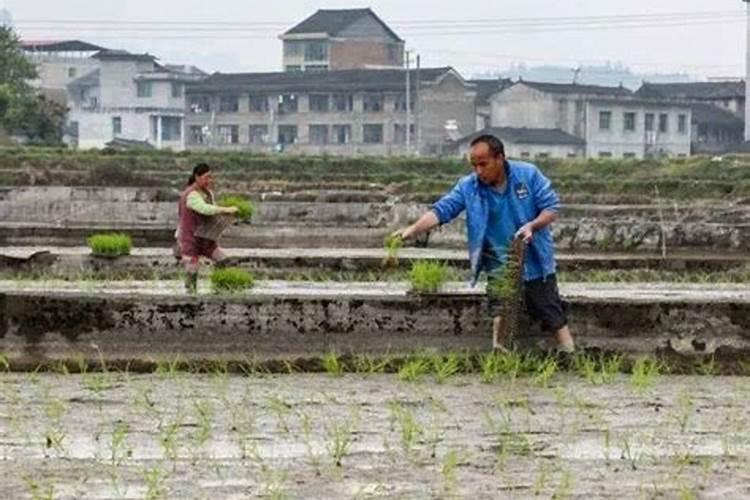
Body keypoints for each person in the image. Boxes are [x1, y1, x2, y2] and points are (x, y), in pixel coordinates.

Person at [393, 134, 575, 353]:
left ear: (500, 158)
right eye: (474, 165)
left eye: (483, 164)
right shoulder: (469, 186)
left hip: (534, 257)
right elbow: (443, 210)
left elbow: (551, 208)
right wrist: (412, 230)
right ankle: (500, 356)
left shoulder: (527, 175)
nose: (478, 171)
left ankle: (570, 353)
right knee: (500, 308)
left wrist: (532, 226)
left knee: (550, 309)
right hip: (498, 260)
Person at [176, 163, 238, 293]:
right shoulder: (191, 195)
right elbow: (204, 209)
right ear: (197, 177)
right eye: (206, 177)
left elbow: (211, 211)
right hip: (190, 239)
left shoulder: (208, 193)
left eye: (211, 177)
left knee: (223, 261)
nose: (209, 181)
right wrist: (225, 209)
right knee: (192, 271)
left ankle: (218, 288)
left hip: (205, 238)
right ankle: (190, 299)